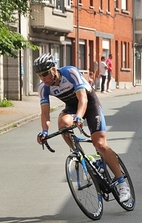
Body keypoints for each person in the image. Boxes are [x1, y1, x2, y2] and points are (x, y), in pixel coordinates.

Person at [33, 53, 131, 202]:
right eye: (39, 75)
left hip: (90, 104)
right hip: (72, 108)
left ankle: (122, 183)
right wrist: (44, 131)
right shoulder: (43, 88)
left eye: (45, 74)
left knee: (100, 144)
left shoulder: (70, 72)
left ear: (53, 69)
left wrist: (79, 117)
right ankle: (80, 154)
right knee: (63, 124)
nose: (43, 78)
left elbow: (83, 99)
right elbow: (45, 113)